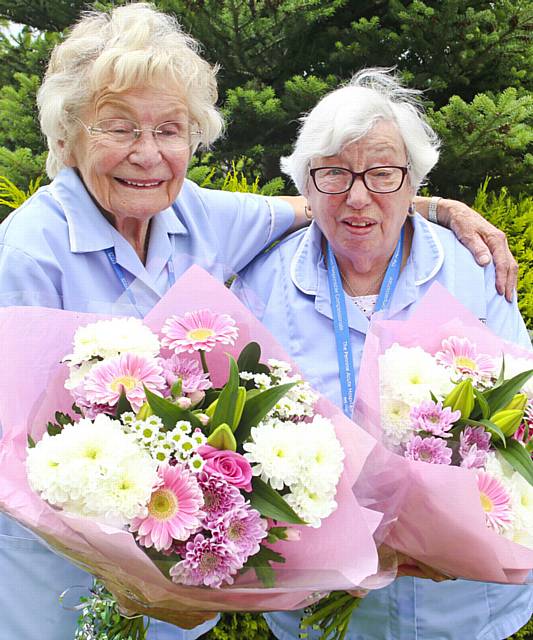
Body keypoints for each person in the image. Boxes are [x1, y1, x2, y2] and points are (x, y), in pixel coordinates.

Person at [0, 3, 519, 638]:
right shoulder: (30, 251)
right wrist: (124, 581)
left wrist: (437, 207)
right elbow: (13, 463)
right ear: (68, 134)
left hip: (176, 582)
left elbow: (323, 200)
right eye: (119, 128)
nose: (148, 154)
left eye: (170, 129)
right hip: (64, 585)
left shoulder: (196, 215)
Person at [232, 68, 532, 640]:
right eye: (334, 173)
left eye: (383, 173)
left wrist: (466, 529)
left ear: (412, 181)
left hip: (462, 605)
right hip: (319, 606)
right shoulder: (261, 280)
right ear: (307, 182)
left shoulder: (471, 272)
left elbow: (522, 416)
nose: (359, 195)